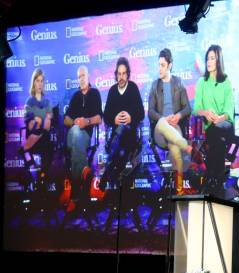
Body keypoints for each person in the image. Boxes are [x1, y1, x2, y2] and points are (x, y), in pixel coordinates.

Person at [148, 48, 200, 195]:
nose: (160, 68)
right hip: (160, 131)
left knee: (175, 148)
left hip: (175, 129)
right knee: (164, 125)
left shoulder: (178, 83)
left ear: (170, 65)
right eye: (158, 65)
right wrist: (163, 118)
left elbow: (188, 109)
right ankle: (188, 147)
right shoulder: (154, 85)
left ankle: (179, 190)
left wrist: (177, 116)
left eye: (162, 65)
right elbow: (150, 111)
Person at [193, 44, 235, 197]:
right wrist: (205, 113)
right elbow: (196, 108)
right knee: (215, 135)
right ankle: (217, 179)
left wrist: (220, 117)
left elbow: (229, 109)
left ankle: (211, 177)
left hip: (225, 124)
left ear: (218, 61)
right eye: (207, 59)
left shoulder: (226, 81)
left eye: (212, 58)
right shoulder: (201, 83)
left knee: (216, 130)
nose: (209, 62)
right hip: (212, 128)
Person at [100, 57, 145, 191]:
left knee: (122, 134)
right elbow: (106, 115)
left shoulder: (133, 88)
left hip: (131, 135)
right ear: (116, 75)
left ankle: (108, 170)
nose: (121, 77)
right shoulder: (112, 91)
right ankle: (117, 181)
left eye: (124, 73)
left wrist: (131, 117)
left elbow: (141, 113)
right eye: (119, 74)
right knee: (120, 148)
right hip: (116, 137)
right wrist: (114, 119)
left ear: (128, 74)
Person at [63, 65, 103, 209]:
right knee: (74, 131)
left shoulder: (95, 94)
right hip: (72, 136)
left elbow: (99, 117)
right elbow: (65, 119)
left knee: (76, 150)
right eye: (79, 77)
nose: (81, 79)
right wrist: (75, 122)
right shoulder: (75, 96)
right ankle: (84, 170)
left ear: (88, 76)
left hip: (86, 136)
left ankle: (74, 198)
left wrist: (86, 122)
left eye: (83, 76)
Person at [20, 68, 54, 181]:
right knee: (27, 148)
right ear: (33, 83)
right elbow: (30, 126)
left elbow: (47, 126)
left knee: (48, 144)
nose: (40, 84)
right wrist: (36, 120)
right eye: (37, 81)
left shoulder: (47, 102)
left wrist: (39, 121)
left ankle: (43, 176)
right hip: (33, 139)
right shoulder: (29, 102)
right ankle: (39, 177)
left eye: (41, 81)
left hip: (44, 138)